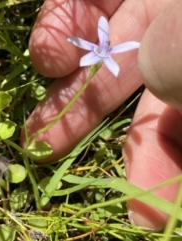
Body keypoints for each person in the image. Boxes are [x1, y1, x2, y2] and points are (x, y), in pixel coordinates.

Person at [21, 0, 182, 231]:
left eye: (104, 46)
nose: (103, 46)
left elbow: (112, 59)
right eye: (101, 45)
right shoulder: (95, 52)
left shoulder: (107, 57)